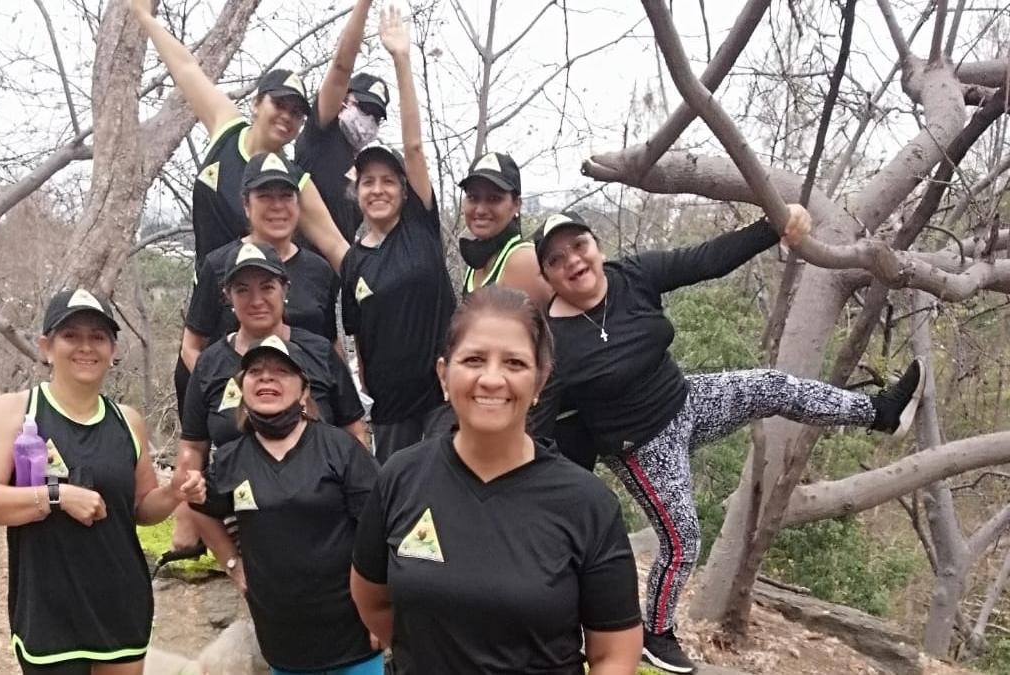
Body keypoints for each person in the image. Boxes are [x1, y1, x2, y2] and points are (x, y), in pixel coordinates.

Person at [530, 210, 925, 673]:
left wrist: (771, 227)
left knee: (772, 386)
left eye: (579, 246)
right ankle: (655, 632)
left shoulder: (632, 276)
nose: (573, 261)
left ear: (596, 245)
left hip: (688, 402)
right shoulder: (552, 341)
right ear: (547, 275)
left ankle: (880, 414)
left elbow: (706, 260)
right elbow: (538, 424)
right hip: (641, 447)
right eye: (557, 259)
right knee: (682, 540)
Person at [350, 286, 643, 674]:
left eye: (514, 364)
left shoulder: (586, 503)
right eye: (473, 359)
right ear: (444, 373)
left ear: (540, 382)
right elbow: (373, 601)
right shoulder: (399, 478)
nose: (491, 379)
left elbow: (615, 654)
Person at [0, 289, 206, 675]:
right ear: (46, 346)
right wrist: (56, 497)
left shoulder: (129, 421)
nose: (86, 347)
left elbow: (141, 510)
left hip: (119, 602)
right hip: (48, 606)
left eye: (98, 337)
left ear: (113, 349)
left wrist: (175, 492)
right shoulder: (15, 411)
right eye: (71, 335)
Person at [130, 0, 350, 425]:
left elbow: (337, 248)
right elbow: (186, 68)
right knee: (200, 443)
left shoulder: (295, 184)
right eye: (279, 105)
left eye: (297, 113)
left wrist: (387, 283)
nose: (287, 117)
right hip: (205, 317)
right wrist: (144, 18)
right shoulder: (225, 130)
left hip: (255, 331)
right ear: (257, 102)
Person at [194, 335, 383, 675]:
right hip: (283, 642)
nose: (267, 378)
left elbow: (377, 532)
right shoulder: (230, 460)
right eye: (256, 372)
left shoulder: (340, 449)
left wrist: (378, 614)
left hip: (352, 634)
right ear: (242, 386)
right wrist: (234, 565)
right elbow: (201, 511)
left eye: (281, 371)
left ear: (304, 390)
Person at [173, 241, 366, 552]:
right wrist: (187, 513)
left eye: (267, 287)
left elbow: (354, 432)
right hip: (247, 528)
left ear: (284, 288)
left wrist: (356, 504)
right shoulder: (209, 363)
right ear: (227, 297)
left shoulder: (318, 351)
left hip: (327, 523)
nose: (257, 300)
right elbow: (192, 448)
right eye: (243, 290)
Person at [339, 7, 455, 463]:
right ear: (358, 192)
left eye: (389, 181)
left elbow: (412, 146)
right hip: (390, 417)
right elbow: (359, 342)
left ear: (405, 192)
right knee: (403, 517)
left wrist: (402, 61)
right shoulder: (353, 262)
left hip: (443, 401)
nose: (379, 189)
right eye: (369, 182)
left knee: (450, 503)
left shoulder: (419, 226)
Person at [178, 153, 339, 416]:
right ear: (246, 205)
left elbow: (331, 349)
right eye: (265, 196)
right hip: (238, 419)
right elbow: (191, 347)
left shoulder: (319, 270)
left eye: (286, 196)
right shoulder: (219, 265)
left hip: (309, 418)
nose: (277, 206)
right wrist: (229, 395)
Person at [294, 0, 389, 245]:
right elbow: (341, 67)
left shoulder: (364, 170)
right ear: (345, 101)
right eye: (364, 108)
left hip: (337, 274)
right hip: (298, 267)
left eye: (376, 116)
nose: (368, 119)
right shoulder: (322, 133)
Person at [456, 152, 553, 306]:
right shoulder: (478, 261)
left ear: (516, 205)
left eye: (494, 199)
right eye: (473, 197)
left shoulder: (523, 261)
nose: (480, 210)